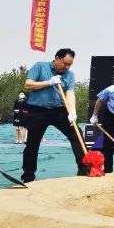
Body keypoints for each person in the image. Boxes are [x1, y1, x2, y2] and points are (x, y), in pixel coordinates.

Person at [21, 48, 87, 183]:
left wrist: (72, 112)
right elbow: (28, 85)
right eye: (65, 63)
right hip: (37, 111)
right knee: (32, 143)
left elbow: (70, 93)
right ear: (57, 58)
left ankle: (84, 169)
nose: (67, 67)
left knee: (77, 135)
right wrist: (48, 82)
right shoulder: (40, 66)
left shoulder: (69, 74)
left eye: (70, 64)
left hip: (59, 110)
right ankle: (28, 176)